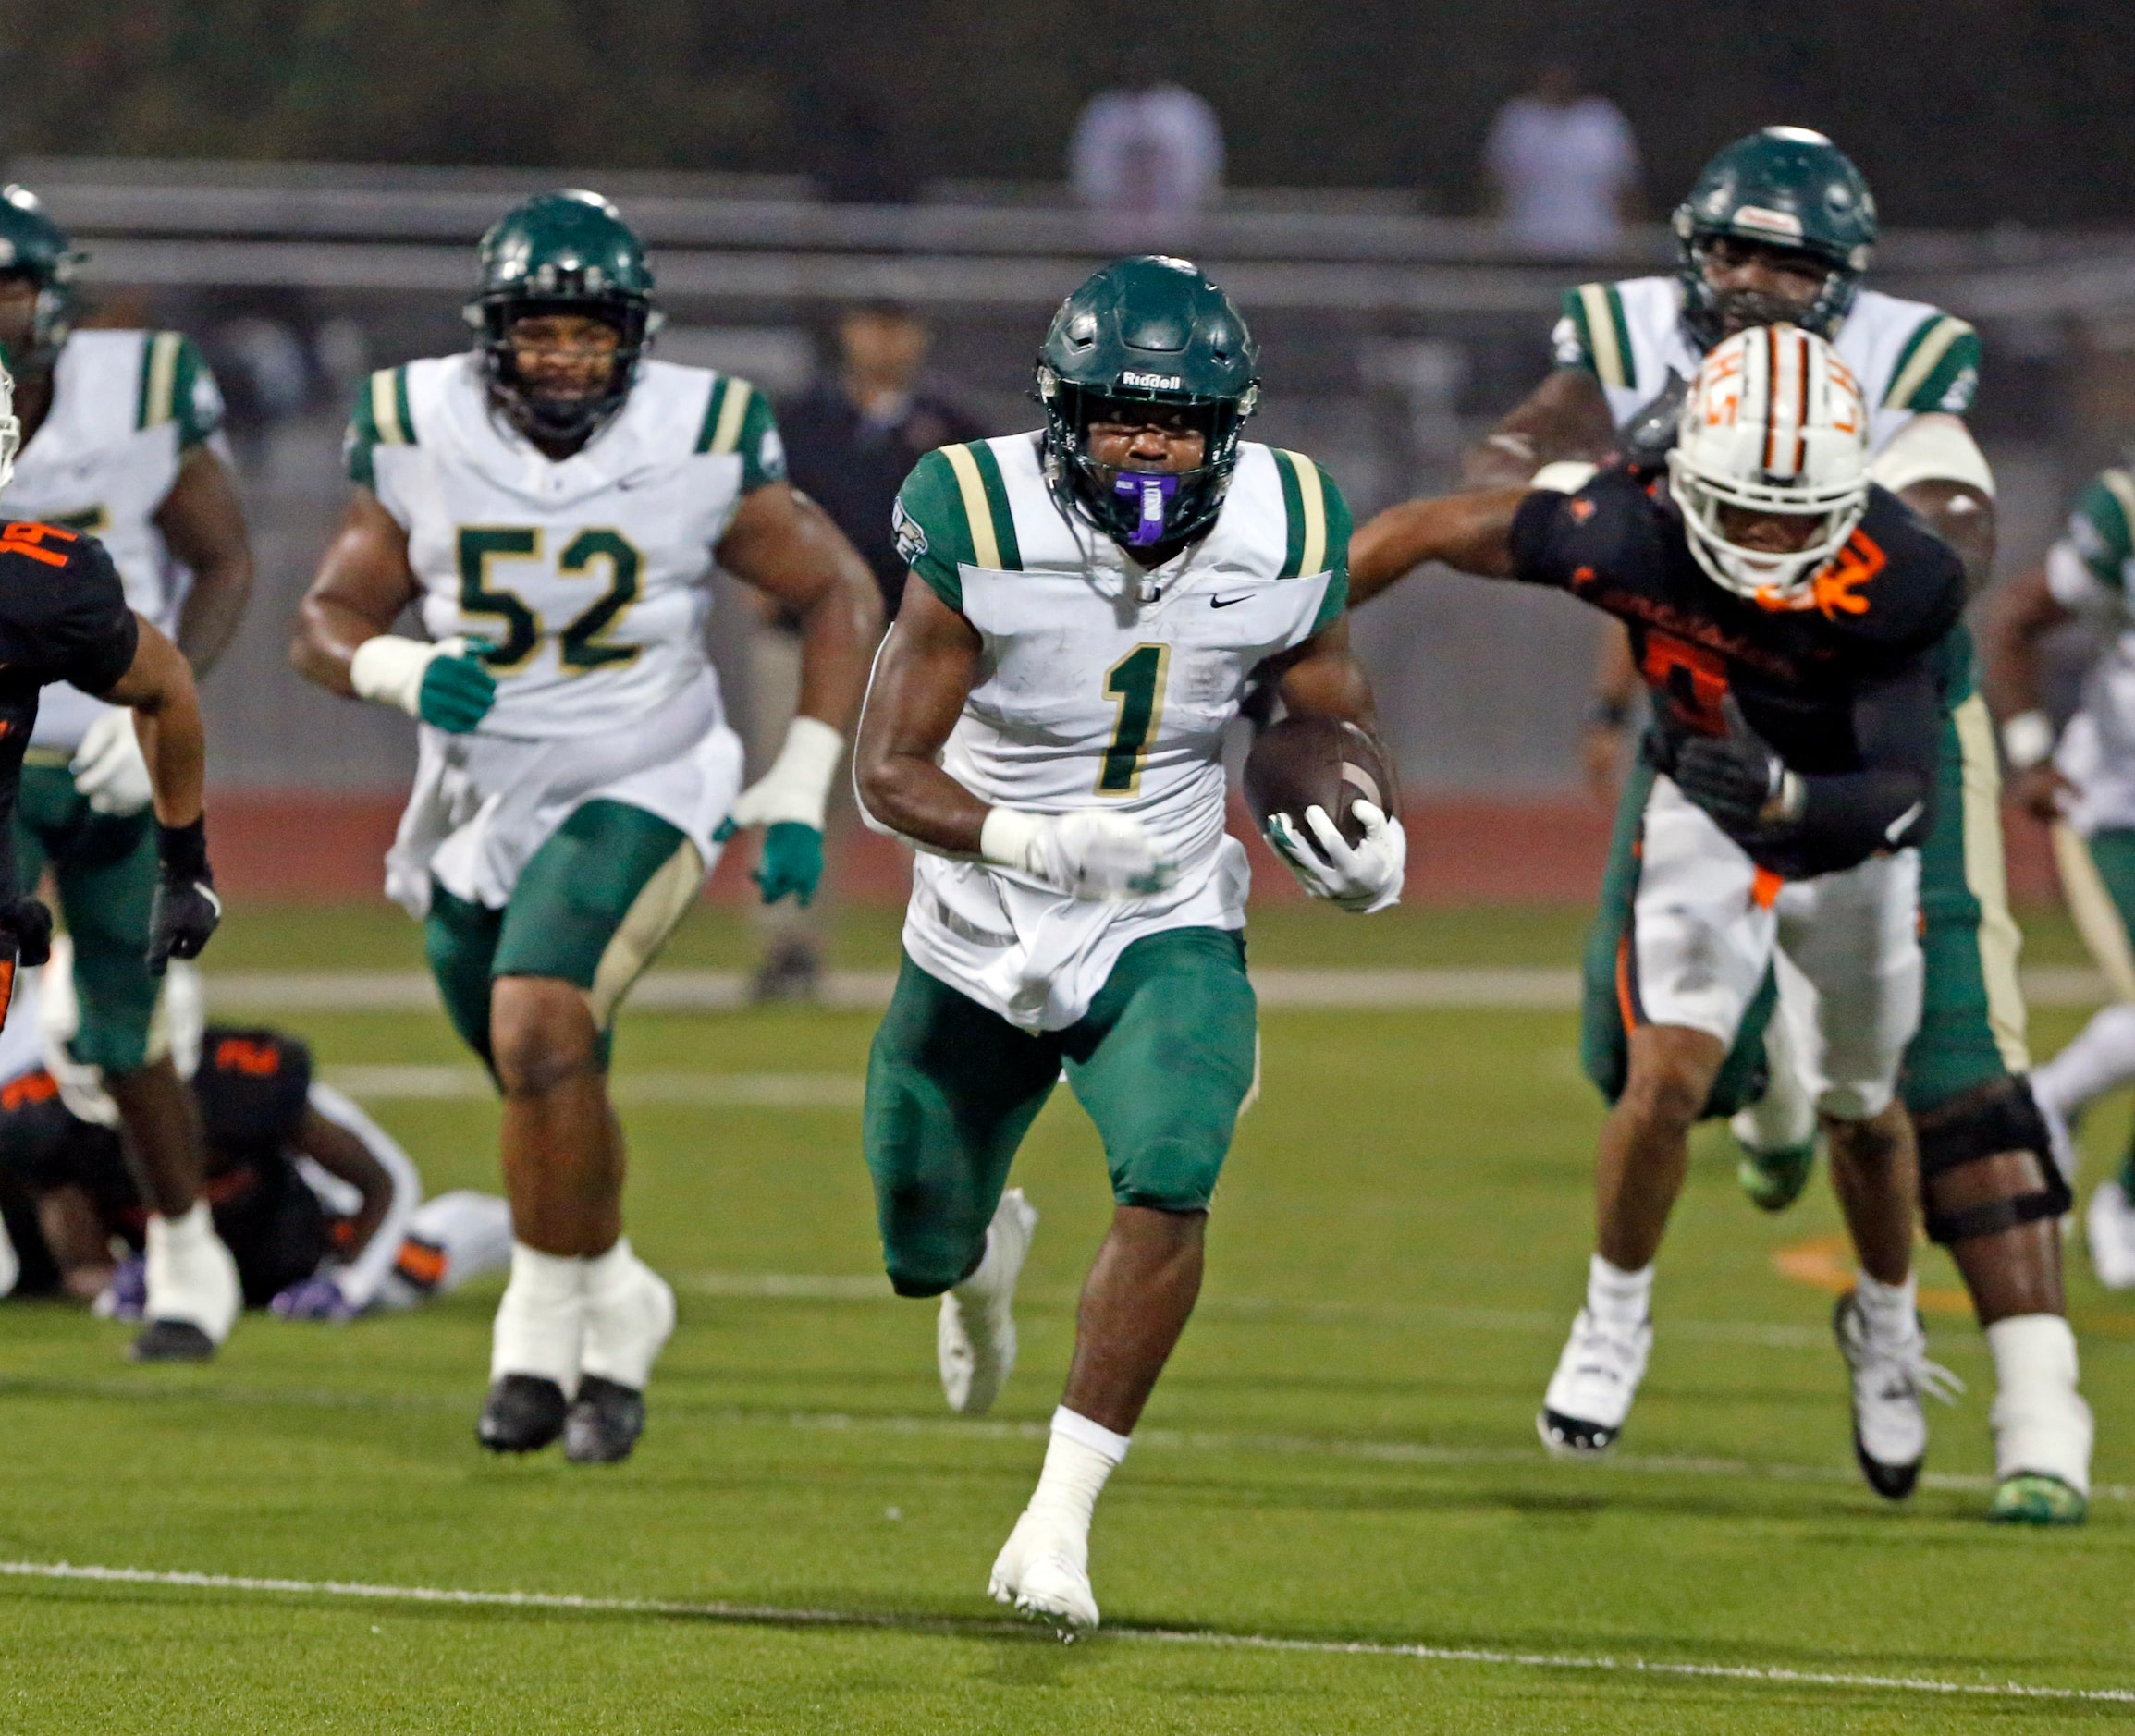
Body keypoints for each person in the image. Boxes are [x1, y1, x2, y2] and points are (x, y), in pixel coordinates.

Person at [1450, 127, 2090, 1526]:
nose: (1749, 277)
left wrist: (1847, 550)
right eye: (1730, 247)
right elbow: (1519, 453)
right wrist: (1557, 479)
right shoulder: (1622, 330)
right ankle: (1776, 1095)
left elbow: (1952, 541)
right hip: (1701, 698)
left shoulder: (1913, 358)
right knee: (1632, 1052)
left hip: (1872, 694)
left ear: (1842, 277)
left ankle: (2038, 1405)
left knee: (1952, 1047)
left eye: (1787, 261)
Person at [855, 256, 1404, 1632]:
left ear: (1229, 427)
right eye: (1118, 418)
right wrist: (1031, 840)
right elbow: (887, 768)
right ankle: (981, 1261)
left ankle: (1058, 1517)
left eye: (1175, 422)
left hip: (1162, 907)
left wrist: (1357, 815)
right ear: (1062, 418)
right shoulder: (972, 509)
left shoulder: (1289, 518)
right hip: (980, 919)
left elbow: (1314, 709)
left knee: (1173, 1167)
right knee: (918, 1235)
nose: (1148, 446)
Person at [290, 190, 880, 1464]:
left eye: (589, 336)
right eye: (541, 334)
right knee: (542, 1072)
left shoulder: (702, 429)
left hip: (647, 769)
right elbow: (327, 615)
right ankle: (620, 1293)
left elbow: (838, 588)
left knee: (540, 1018)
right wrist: (391, 670)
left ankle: (540, 1322)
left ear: (634, 340)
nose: (564, 360)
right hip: (476, 802)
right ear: (494, 336)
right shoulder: (415, 420)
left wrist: (797, 778)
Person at [1356, 324, 1967, 1497]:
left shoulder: (1902, 575)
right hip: (1698, 807)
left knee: (1860, 1108)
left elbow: (1897, 786)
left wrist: (1793, 796)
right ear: (1681, 482)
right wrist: (1270, 643)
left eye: (1803, 513)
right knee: (1664, 1078)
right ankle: (1612, 1317)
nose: (1776, 541)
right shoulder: (1621, 522)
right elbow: (1421, 531)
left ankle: (1885, 1329)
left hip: (1846, 836)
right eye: (1745, 509)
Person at [0, 184, 256, 1363]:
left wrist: (155, 714)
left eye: (12, 283)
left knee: (121, 1022)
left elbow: (222, 560)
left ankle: (188, 1246)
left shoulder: (139, 392)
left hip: (106, 737)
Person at [0, 947, 511, 1316]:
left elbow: (384, 1179)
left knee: (414, 1267)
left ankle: (522, 1229)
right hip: (198, 1263)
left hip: (297, 1248)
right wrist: (118, 1287)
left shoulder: (242, 1077)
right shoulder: (39, 1117)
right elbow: (81, 1264)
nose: (110, 1068)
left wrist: (347, 1283)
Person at [746, 304, 986, 1000]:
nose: (886, 338)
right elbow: (750, 511)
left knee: (941, 791)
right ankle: (789, 950)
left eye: (899, 323)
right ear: (847, 331)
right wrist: (756, 584)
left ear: (920, 335)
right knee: (798, 792)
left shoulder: (953, 428)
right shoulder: (798, 421)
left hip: (922, 645)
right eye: (873, 322)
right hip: (808, 642)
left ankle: (955, 952)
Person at [1982, 459, 2135, 1290]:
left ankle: (2052, 1099)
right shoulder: (2124, 513)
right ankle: (2125, 1206)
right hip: (2115, 808)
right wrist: (2031, 754)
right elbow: (2013, 619)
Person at [1482, 67, 1641, 257]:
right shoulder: (1518, 118)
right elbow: (1494, 185)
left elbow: (1626, 187)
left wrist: (1631, 248)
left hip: (1592, 246)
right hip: (1527, 245)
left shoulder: (1602, 120)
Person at [1068, 81, 1225, 252]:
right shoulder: (1105, 112)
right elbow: (1089, 173)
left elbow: (1201, 173)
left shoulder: (1185, 110)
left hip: (1174, 232)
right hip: (1114, 234)